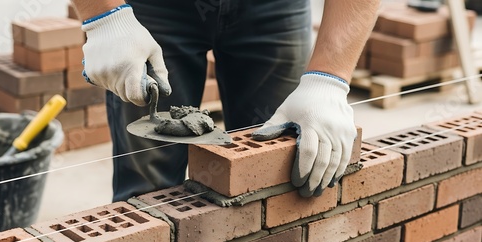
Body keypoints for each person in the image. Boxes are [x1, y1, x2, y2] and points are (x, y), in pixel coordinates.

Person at [71, 0, 380, 201]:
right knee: (147, 191)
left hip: (274, 8)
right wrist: (104, 17)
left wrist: (329, 78)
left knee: (275, 171)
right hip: (152, 9)